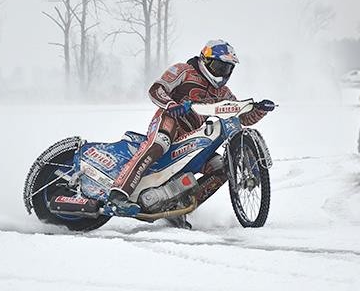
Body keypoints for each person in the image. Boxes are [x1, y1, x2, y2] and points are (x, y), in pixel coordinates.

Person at [109, 40, 275, 220]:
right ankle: (118, 194)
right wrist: (171, 105)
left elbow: (241, 117)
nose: (222, 72)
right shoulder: (183, 71)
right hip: (170, 121)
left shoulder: (223, 93)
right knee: (158, 144)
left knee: (222, 167)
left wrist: (259, 110)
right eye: (219, 66)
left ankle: (180, 206)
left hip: (192, 137)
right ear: (205, 60)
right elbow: (156, 89)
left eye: (227, 69)